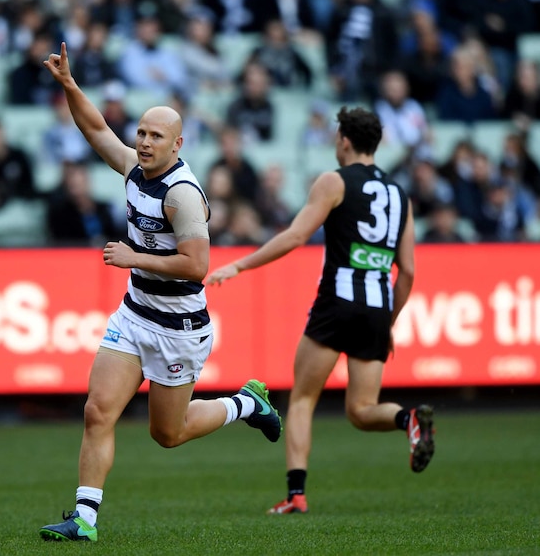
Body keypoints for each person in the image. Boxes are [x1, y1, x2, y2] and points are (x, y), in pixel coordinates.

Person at [38, 43, 283, 542]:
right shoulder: (133, 169)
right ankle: (84, 519)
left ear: (178, 144)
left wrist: (134, 258)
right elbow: (95, 129)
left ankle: (245, 404)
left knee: (167, 435)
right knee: (97, 410)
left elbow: (198, 266)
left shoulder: (183, 194)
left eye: (157, 136)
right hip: (134, 315)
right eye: (142, 133)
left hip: (180, 328)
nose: (145, 142)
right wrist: (68, 84)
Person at [206, 107, 435, 515]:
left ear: (344, 140)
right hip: (377, 308)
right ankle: (409, 418)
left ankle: (296, 494)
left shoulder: (334, 180)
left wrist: (240, 264)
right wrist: (389, 323)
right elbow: (410, 272)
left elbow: (295, 235)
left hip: (338, 302)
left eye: (336, 137)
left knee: (302, 398)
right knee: (362, 410)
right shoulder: (400, 196)